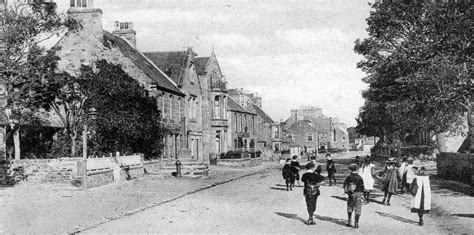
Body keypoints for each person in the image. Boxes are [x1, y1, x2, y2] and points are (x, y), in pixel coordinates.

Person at [344, 163, 365, 229]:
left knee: (350, 207)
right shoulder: (360, 178)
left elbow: (344, 185)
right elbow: (362, 187)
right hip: (358, 194)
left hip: (351, 194)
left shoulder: (349, 177)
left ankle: (349, 221)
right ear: (357, 169)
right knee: (358, 208)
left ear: (350, 170)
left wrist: (347, 192)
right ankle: (356, 223)